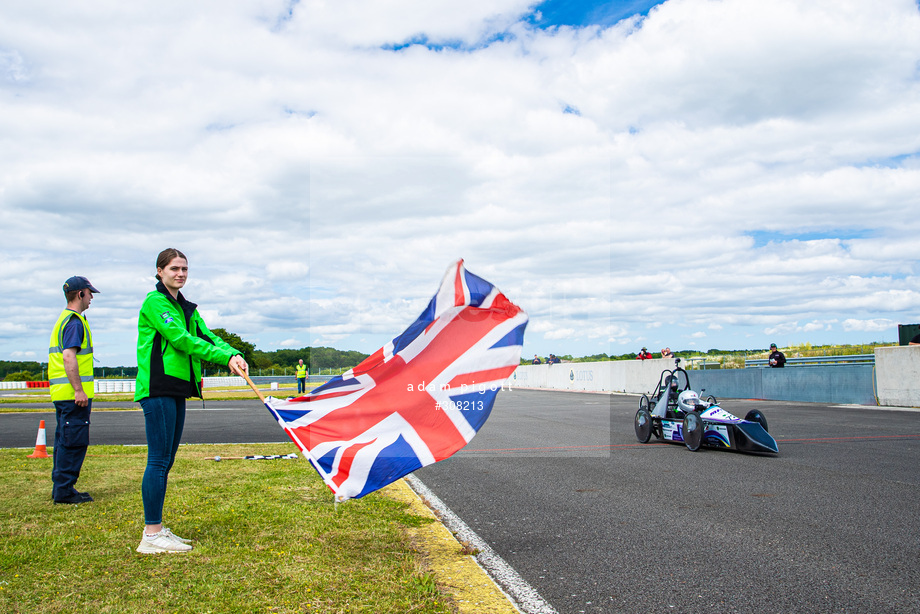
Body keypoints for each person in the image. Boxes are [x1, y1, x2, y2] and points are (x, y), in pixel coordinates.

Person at [134, 248, 249, 554]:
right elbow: (182, 340)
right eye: (174, 268)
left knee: (166, 460)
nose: (181, 274)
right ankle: (152, 534)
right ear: (160, 271)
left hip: (177, 389)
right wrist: (224, 356)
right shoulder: (155, 302)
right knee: (158, 460)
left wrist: (234, 354)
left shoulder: (186, 307)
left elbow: (207, 336)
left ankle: (156, 529)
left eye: (185, 269)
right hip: (157, 388)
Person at [48, 276, 100, 504]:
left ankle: (62, 487)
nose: (91, 299)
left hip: (62, 395)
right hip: (73, 396)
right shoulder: (75, 322)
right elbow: (69, 356)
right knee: (73, 442)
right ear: (80, 294)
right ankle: (65, 491)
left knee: (63, 441)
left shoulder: (64, 319)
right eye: (90, 294)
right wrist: (79, 390)